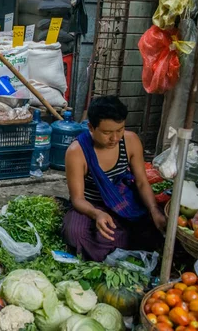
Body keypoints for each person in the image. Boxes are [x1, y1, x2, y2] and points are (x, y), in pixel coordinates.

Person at [62, 96, 166, 262]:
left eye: (120, 130)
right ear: (91, 127)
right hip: (91, 205)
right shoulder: (77, 152)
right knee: (75, 233)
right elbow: (78, 199)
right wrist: (97, 214)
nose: (115, 138)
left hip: (122, 199)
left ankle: (116, 246)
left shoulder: (130, 141)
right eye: (107, 132)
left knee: (153, 226)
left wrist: (154, 209)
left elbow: (141, 182)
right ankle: (119, 248)